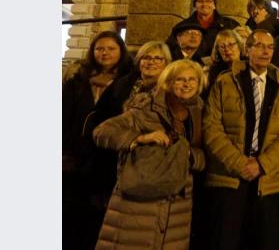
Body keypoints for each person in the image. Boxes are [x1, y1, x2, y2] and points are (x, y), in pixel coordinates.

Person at [203, 29, 279, 250]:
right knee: (226, 240)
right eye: (259, 45)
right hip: (229, 176)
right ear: (247, 49)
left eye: (270, 47)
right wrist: (240, 163)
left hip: (267, 178)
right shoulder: (225, 82)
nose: (265, 51)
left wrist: (262, 164)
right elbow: (211, 127)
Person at [93, 59, 207, 250]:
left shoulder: (199, 111)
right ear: (168, 82)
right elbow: (102, 132)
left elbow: (203, 155)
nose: (186, 84)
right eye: (180, 79)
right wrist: (141, 138)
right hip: (139, 201)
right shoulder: (146, 107)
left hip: (177, 203)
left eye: (192, 79)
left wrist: (188, 154)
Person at [84, 41, 174, 214]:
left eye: (158, 58)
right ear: (139, 61)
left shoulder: (170, 91)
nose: (151, 62)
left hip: (145, 164)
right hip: (111, 156)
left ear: (167, 63)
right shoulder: (122, 85)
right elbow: (101, 118)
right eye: (146, 57)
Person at [63, 31, 133, 250]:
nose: (105, 53)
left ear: (120, 52)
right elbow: (64, 116)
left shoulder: (127, 83)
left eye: (110, 48)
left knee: (100, 218)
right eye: (99, 48)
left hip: (106, 158)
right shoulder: (78, 80)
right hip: (75, 158)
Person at [169, 0, 240, 58]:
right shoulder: (182, 27)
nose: (204, 4)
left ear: (214, 5)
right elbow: (170, 48)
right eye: (200, 1)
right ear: (195, 5)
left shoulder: (230, 25)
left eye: (208, 1)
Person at [206, 30, 246, 99]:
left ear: (239, 45)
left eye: (231, 45)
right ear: (217, 50)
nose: (226, 49)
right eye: (222, 46)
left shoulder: (249, 66)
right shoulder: (214, 71)